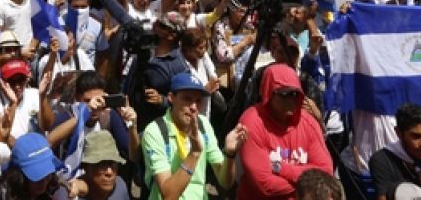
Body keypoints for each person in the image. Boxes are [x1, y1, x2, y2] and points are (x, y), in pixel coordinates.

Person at [141, 72, 245, 200]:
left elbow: (226, 182)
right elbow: (168, 196)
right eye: (187, 99)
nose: (194, 107)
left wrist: (229, 154)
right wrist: (194, 153)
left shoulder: (203, 124)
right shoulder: (155, 131)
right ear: (171, 98)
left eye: (198, 101)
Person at [237, 63, 332, 199]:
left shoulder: (308, 122)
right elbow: (265, 185)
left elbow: (325, 172)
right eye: (284, 94)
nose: (291, 100)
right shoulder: (252, 121)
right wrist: (308, 189)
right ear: (269, 93)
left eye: (294, 94)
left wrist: (280, 169)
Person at [0, 132, 64, 200]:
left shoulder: (50, 192)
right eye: (37, 176)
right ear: (19, 176)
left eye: (48, 175)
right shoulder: (3, 194)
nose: (44, 183)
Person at [66, 130, 130, 200]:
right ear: (85, 167)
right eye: (102, 164)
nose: (109, 172)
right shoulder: (71, 195)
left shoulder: (120, 186)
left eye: (112, 163)